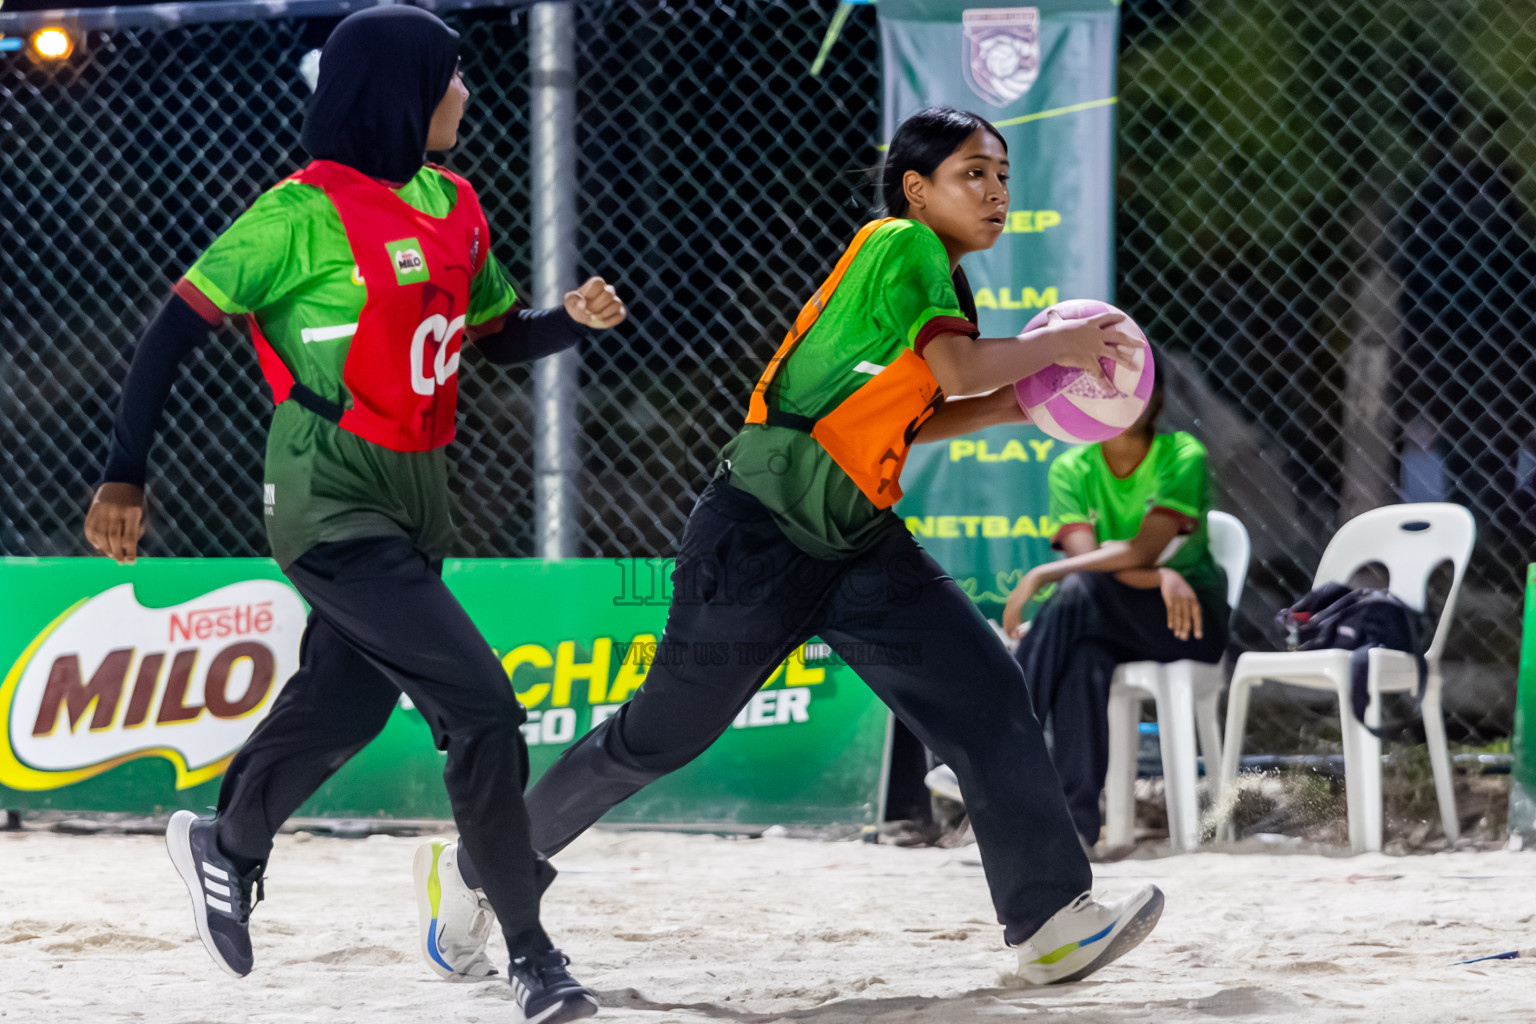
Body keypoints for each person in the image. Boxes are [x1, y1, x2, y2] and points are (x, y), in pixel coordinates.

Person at [417, 106, 1165, 987]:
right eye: (974, 173)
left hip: (857, 539)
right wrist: (1061, 346)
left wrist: (1025, 399)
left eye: (1002, 174)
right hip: (763, 529)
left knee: (990, 694)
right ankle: (475, 869)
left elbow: (915, 411)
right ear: (917, 188)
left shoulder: (944, 284)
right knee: (657, 739)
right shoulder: (900, 244)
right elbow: (958, 373)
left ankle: (1048, 922)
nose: (996, 190)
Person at [81, 9, 622, 1022]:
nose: (467, 94)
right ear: (401, 91)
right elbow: (171, 331)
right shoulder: (298, 212)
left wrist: (566, 323)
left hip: (420, 493)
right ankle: (532, 953)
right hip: (327, 492)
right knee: (483, 711)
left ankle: (227, 842)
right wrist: (124, 473)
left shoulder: (455, 202)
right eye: (452, 78)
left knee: (348, 701)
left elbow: (494, 338)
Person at [1000, 379, 1229, 852]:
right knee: (1083, 654)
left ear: (1156, 397)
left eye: (1137, 387)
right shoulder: (1070, 468)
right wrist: (1159, 575)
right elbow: (1103, 567)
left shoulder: (1183, 454)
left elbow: (1141, 549)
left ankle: (997, 746)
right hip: (1113, 610)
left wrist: (1044, 573)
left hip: (1187, 619)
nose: (1125, 399)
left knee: (1077, 590)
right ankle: (1077, 830)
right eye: (1109, 389)